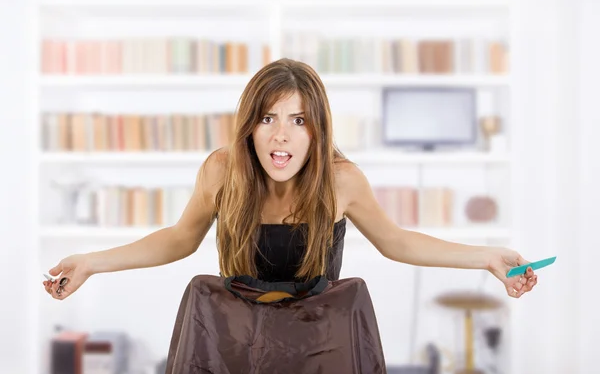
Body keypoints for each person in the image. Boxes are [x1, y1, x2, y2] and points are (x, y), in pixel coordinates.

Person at [43, 58, 537, 301]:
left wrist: (487, 256)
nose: (282, 136)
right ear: (250, 125)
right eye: (268, 119)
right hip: (237, 336)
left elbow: (398, 242)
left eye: (298, 120)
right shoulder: (223, 170)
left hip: (320, 341)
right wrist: (92, 262)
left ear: (317, 129)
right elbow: (177, 240)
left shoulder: (342, 180)